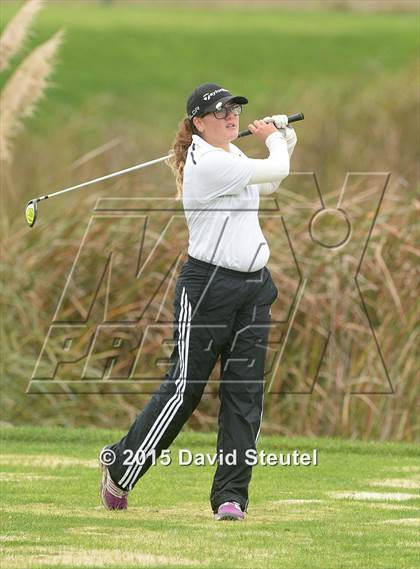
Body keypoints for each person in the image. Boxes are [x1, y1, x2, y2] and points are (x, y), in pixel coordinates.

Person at [99, 82, 297, 521]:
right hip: (208, 288)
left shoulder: (231, 155)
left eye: (234, 110)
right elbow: (273, 167)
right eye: (220, 112)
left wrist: (283, 142)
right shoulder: (205, 163)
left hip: (253, 289)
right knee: (184, 390)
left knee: (244, 396)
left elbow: (271, 181)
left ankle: (231, 497)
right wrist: (276, 139)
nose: (231, 117)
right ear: (198, 123)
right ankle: (121, 465)